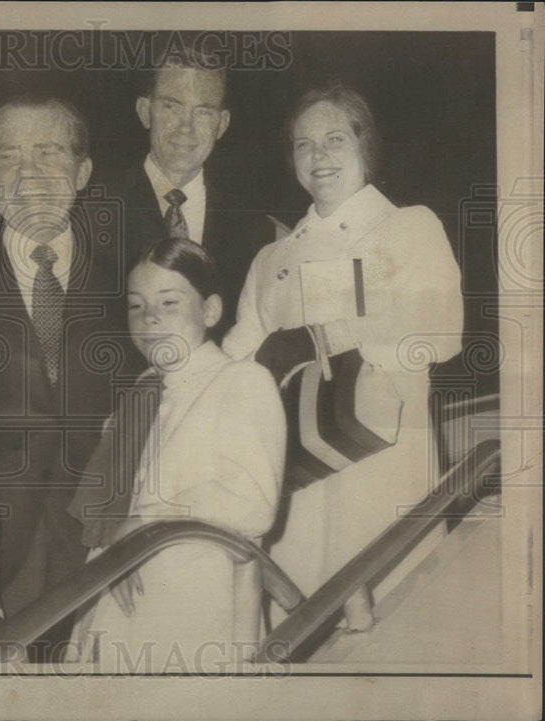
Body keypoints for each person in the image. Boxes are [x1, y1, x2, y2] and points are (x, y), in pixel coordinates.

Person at [222, 83, 464, 631]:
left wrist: (322, 338)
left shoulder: (409, 228)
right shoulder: (271, 257)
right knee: (304, 632)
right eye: (304, 145)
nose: (320, 155)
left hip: (382, 465)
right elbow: (237, 359)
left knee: (396, 630)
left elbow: (441, 336)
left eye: (335, 139)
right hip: (300, 480)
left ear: (365, 147)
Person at [0, 94, 141, 660]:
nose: (28, 174)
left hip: (106, 570)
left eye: (48, 154)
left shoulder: (134, 290)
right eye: (8, 157)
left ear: (83, 172)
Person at [65, 237, 286, 671]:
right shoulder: (142, 391)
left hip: (197, 609)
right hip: (116, 597)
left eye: (169, 303)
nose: (149, 319)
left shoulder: (242, 380)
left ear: (210, 311)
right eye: (135, 306)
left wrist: (145, 523)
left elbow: (252, 504)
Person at [101, 49, 276, 341]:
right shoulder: (95, 211)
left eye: (203, 111)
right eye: (172, 107)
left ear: (222, 124)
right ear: (145, 112)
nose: (186, 126)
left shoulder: (255, 231)